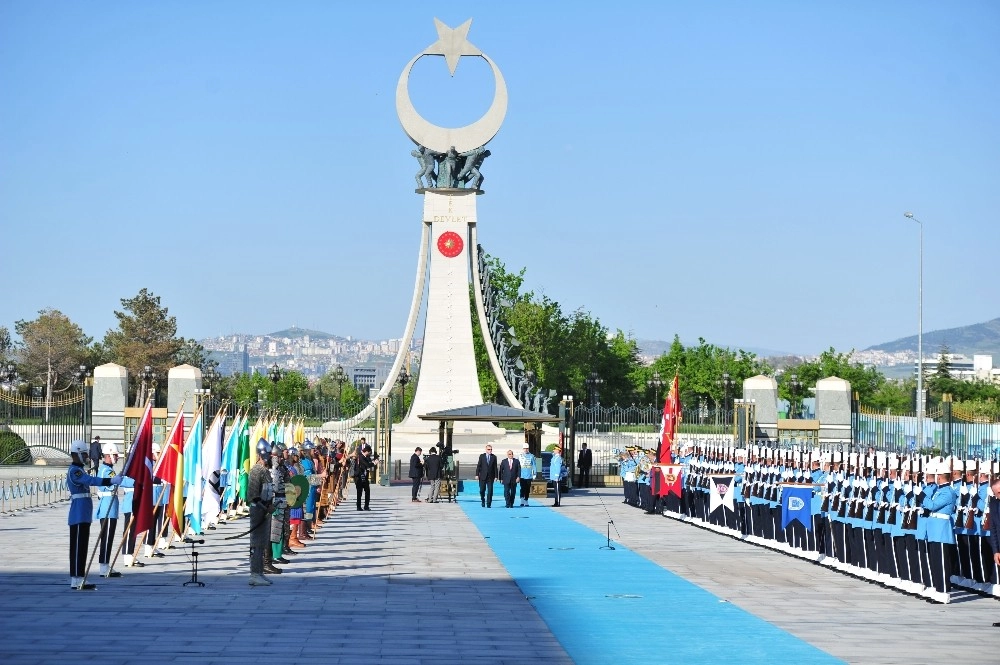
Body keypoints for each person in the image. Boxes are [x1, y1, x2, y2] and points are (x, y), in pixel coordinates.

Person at [67, 439, 122, 590]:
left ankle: (80, 577)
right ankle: (76, 579)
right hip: (78, 514)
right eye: (84, 454)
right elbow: (91, 480)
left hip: (84, 514)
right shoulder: (75, 471)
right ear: (77, 454)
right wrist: (111, 480)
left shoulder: (80, 470)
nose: (86, 457)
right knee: (78, 548)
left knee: (82, 547)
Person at [94, 442, 124, 578]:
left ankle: (105, 565)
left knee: (108, 537)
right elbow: (115, 483)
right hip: (108, 507)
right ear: (109, 455)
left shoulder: (107, 469)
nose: (117, 458)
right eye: (116, 455)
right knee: (106, 538)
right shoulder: (106, 471)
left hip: (110, 506)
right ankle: (104, 567)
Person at [248, 438, 275, 586]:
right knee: (256, 542)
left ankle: (260, 572)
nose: (269, 457)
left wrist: (271, 504)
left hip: (266, 510)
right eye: (267, 454)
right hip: (258, 510)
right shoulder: (255, 471)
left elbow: (268, 490)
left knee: (263, 542)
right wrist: (265, 506)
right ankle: (254, 573)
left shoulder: (265, 470)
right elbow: (253, 495)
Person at [988, 477, 1000, 627]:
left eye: (997, 493)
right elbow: (993, 528)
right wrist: (996, 550)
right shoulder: (995, 503)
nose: (996, 496)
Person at [354, 444, 376, 511]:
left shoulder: (366, 457)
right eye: (369, 453)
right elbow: (367, 464)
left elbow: (368, 463)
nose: (369, 454)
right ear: (366, 451)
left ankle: (366, 506)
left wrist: (372, 462)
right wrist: (374, 463)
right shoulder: (360, 457)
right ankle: (358, 506)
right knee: (359, 492)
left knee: (367, 491)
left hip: (365, 477)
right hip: (359, 477)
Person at [518, 443, 535, 507]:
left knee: (527, 488)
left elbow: (534, 465)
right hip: (522, 475)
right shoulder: (520, 456)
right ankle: (522, 500)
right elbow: (518, 466)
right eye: (524, 448)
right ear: (523, 449)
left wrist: (534, 474)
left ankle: (526, 500)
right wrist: (518, 474)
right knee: (522, 488)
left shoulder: (532, 456)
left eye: (527, 448)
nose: (525, 450)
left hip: (529, 475)